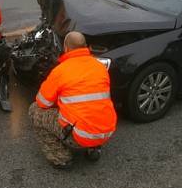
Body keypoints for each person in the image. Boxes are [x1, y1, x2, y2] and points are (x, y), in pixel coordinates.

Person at [28, 31, 117, 170]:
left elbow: (42, 102)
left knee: (34, 110)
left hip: (79, 135)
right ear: (85, 46)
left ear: (66, 48)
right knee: (90, 111)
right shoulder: (100, 67)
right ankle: (94, 149)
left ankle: (61, 158)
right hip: (106, 130)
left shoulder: (60, 71)